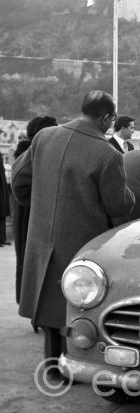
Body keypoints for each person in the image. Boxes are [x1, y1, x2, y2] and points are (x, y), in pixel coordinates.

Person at [11, 91, 135, 374]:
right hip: (83, 241)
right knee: (79, 301)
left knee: (50, 302)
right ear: (105, 118)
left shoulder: (44, 137)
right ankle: (75, 363)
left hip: (42, 235)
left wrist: (39, 206)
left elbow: (19, 180)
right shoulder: (108, 154)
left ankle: (52, 365)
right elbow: (118, 205)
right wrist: (131, 197)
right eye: (112, 119)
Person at [13, 116, 58, 304]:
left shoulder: (37, 149)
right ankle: (30, 302)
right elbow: (21, 186)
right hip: (29, 213)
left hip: (32, 211)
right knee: (28, 259)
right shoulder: (31, 151)